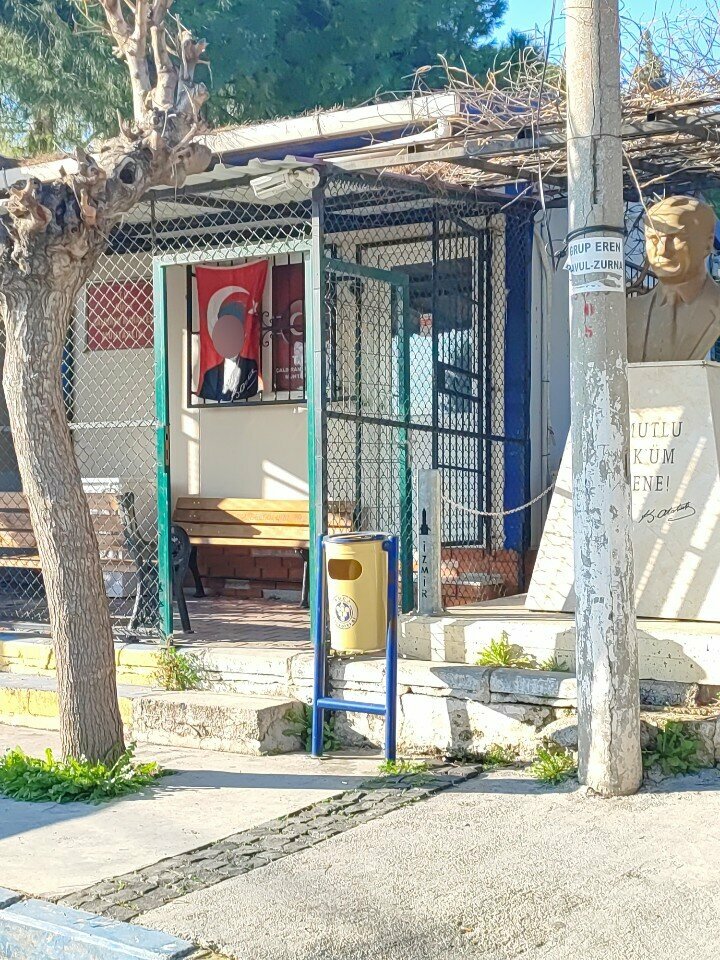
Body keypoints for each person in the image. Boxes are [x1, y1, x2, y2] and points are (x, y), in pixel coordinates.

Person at [627, 195, 720, 362]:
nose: (662, 250)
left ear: (707, 244)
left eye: (675, 237)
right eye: (653, 239)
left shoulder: (716, 305)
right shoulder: (629, 313)